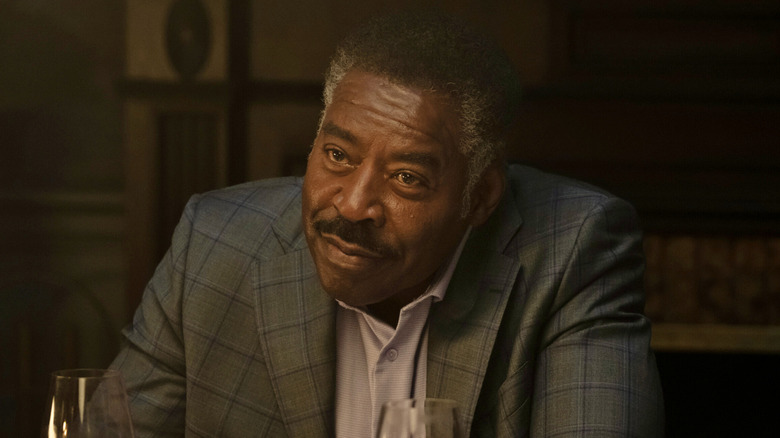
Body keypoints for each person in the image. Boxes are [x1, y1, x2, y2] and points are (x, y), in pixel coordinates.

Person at [111, 10, 664, 437]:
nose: (352, 205)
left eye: (405, 178)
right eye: (337, 156)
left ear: (480, 196)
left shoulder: (574, 250)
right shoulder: (214, 243)